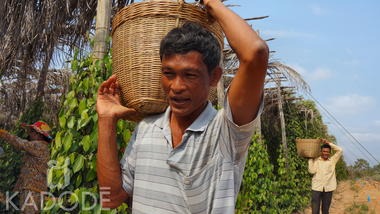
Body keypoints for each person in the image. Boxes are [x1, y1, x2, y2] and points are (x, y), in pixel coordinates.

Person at [96, 0, 268, 212]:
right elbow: (110, 199)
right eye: (168, 74)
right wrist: (106, 120)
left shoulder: (225, 133)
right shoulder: (146, 129)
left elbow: (255, 53)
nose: (176, 87)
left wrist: (211, 3)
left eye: (190, 75)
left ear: (214, 77)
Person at [0, 121, 52, 213]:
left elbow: (20, 143)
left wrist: (3, 133)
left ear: (38, 134)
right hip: (32, 190)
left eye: (31, 131)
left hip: (33, 191)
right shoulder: (39, 147)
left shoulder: (39, 146)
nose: (29, 134)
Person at [308, 139, 343, 214]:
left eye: (327, 152)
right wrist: (310, 159)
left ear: (330, 153)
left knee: (325, 210)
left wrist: (329, 143)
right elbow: (311, 171)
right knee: (315, 211)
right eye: (324, 151)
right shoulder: (316, 160)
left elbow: (340, 150)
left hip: (328, 188)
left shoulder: (333, 160)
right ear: (321, 152)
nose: (325, 153)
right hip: (316, 188)